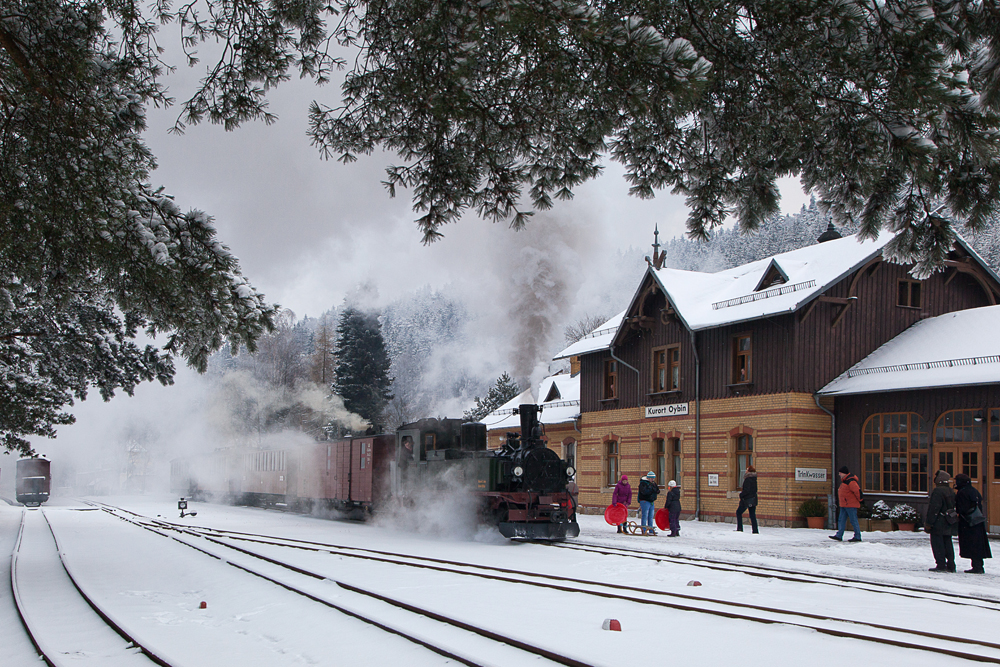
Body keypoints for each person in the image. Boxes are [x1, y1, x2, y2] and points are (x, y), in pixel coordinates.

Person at [955, 473, 992, 574]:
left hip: (968, 522)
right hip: (977, 520)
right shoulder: (974, 491)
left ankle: (976, 566)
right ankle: (978, 565)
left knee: (972, 544)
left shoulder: (962, 492)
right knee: (977, 544)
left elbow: (961, 508)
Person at [925, 469, 957, 572]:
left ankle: (941, 564)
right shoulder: (951, 491)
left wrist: (929, 523)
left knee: (938, 544)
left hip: (939, 522)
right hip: (948, 521)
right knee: (948, 542)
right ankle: (951, 564)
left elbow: (934, 508)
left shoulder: (938, 491)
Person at [829, 465, 862, 542]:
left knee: (853, 521)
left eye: (840, 473)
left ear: (844, 473)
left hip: (850, 505)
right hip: (844, 504)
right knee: (841, 520)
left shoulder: (851, 481)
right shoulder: (845, 481)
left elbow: (857, 491)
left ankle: (857, 536)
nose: (839, 474)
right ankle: (839, 535)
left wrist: (861, 500)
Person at [736, 465, 759, 533]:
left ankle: (740, 528)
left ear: (749, 471)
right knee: (752, 515)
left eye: (747, 469)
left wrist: (741, 495)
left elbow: (746, 490)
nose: (745, 471)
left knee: (738, 512)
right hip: (753, 499)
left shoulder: (748, 479)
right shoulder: (754, 479)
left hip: (746, 499)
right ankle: (755, 530)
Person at [638, 471, 660, 535]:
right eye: (652, 478)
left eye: (653, 478)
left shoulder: (653, 483)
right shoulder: (643, 483)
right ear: (648, 478)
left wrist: (656, 491)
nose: (653, 480)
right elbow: (644, 492)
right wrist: (651, 490)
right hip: (645, 501)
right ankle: (644, 529)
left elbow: (656, 490)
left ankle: (650, 529)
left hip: (651, 501)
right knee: (645, 515)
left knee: (651, 516)